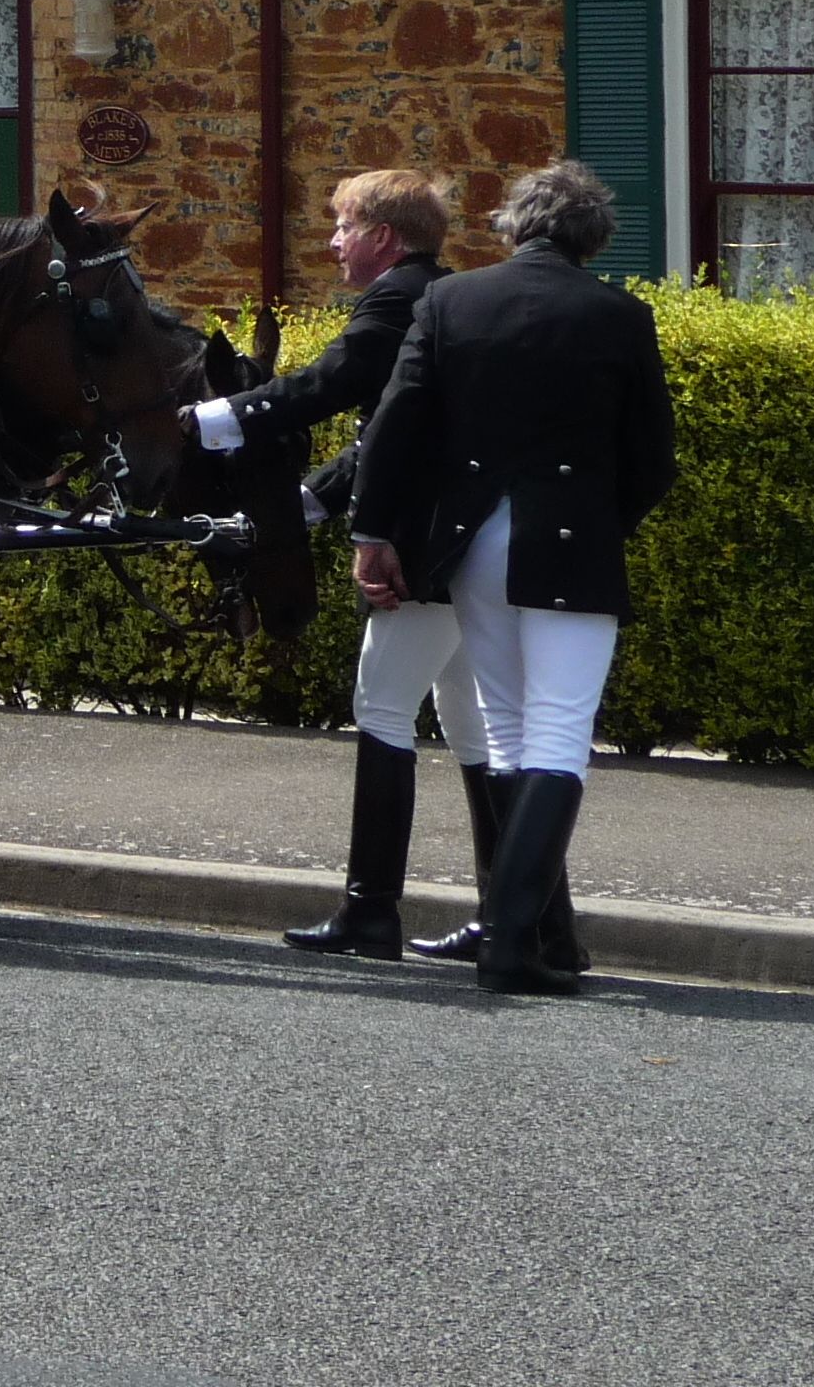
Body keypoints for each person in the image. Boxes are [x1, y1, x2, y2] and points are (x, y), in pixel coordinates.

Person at [350, 159, 677, 997]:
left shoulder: (451, 300)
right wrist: (606, 520)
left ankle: (541, 935)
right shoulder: (621, 314)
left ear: (515, 225)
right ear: (593, 237)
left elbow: (396, 424)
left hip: (471, 542)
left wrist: (373, 531)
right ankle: (508, 942)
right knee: (559, 731)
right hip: (569, 538)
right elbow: (653, 459)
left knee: (505, 730)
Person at [183, 170, 477, 960]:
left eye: (344, 226)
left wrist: (213, 419)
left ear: (383, 236)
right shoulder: (446, 294)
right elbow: (384, 432)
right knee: (472, 724)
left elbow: (330, 385)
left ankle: (371, 911)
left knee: (382, 709)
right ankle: (517, 914)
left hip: (420, 547)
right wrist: (308, 503)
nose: (333, 241)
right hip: (465, 545)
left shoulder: (396, 300)